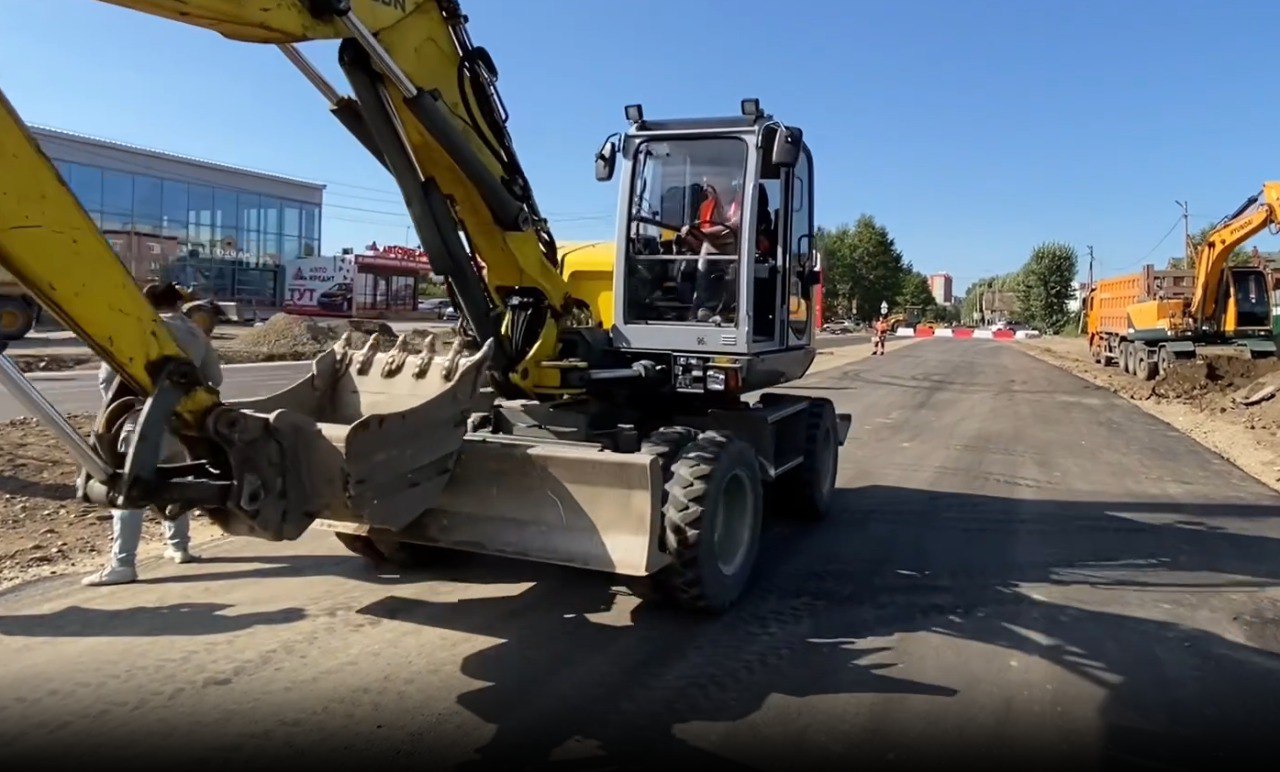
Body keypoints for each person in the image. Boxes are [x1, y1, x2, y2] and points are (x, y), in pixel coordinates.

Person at [82, 282, 224, 587]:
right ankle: (179, 547)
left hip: (142, 421)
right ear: (178, 303)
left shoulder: (139, 331)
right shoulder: (197, 333)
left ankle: (122, 565)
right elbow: (215, 378)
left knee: (130, 486)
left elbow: (108, 380)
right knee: (175, 483)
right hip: (183, 425)